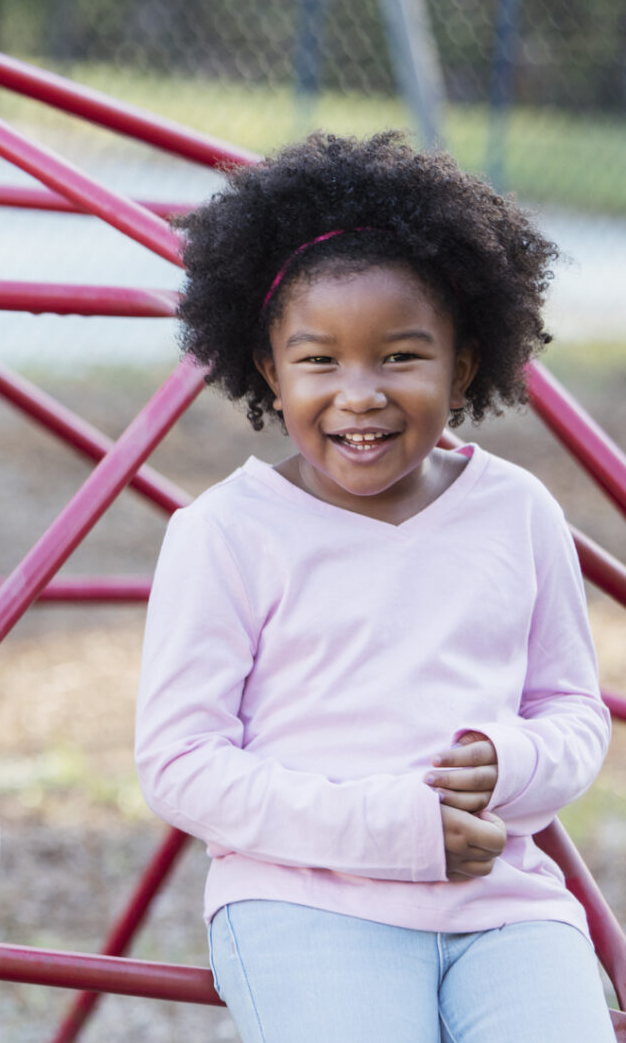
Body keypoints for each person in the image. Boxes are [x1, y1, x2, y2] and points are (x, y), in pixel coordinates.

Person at [136, 131, 611, 1043]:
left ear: (463, 363)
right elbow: (181, 763)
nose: (359, 393)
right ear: (269, 370)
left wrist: (509, 763)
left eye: (399, 356)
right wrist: (394, 826)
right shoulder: (225, 532)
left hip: (501, 905)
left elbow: (573, 712)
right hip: (305, 902)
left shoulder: (517, 510)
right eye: (319, 361)